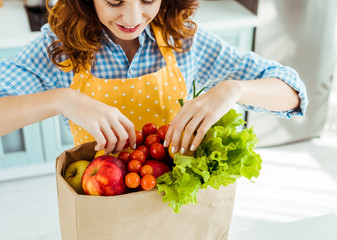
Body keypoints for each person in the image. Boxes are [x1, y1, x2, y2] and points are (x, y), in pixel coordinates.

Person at [0, 0, 308, 156]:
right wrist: (61, 99)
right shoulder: (61, 49)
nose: (133, 19)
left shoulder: (182, 41)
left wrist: (233, 89)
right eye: (114, 2)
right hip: (101, 205)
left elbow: (294, 93)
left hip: (175, 205)